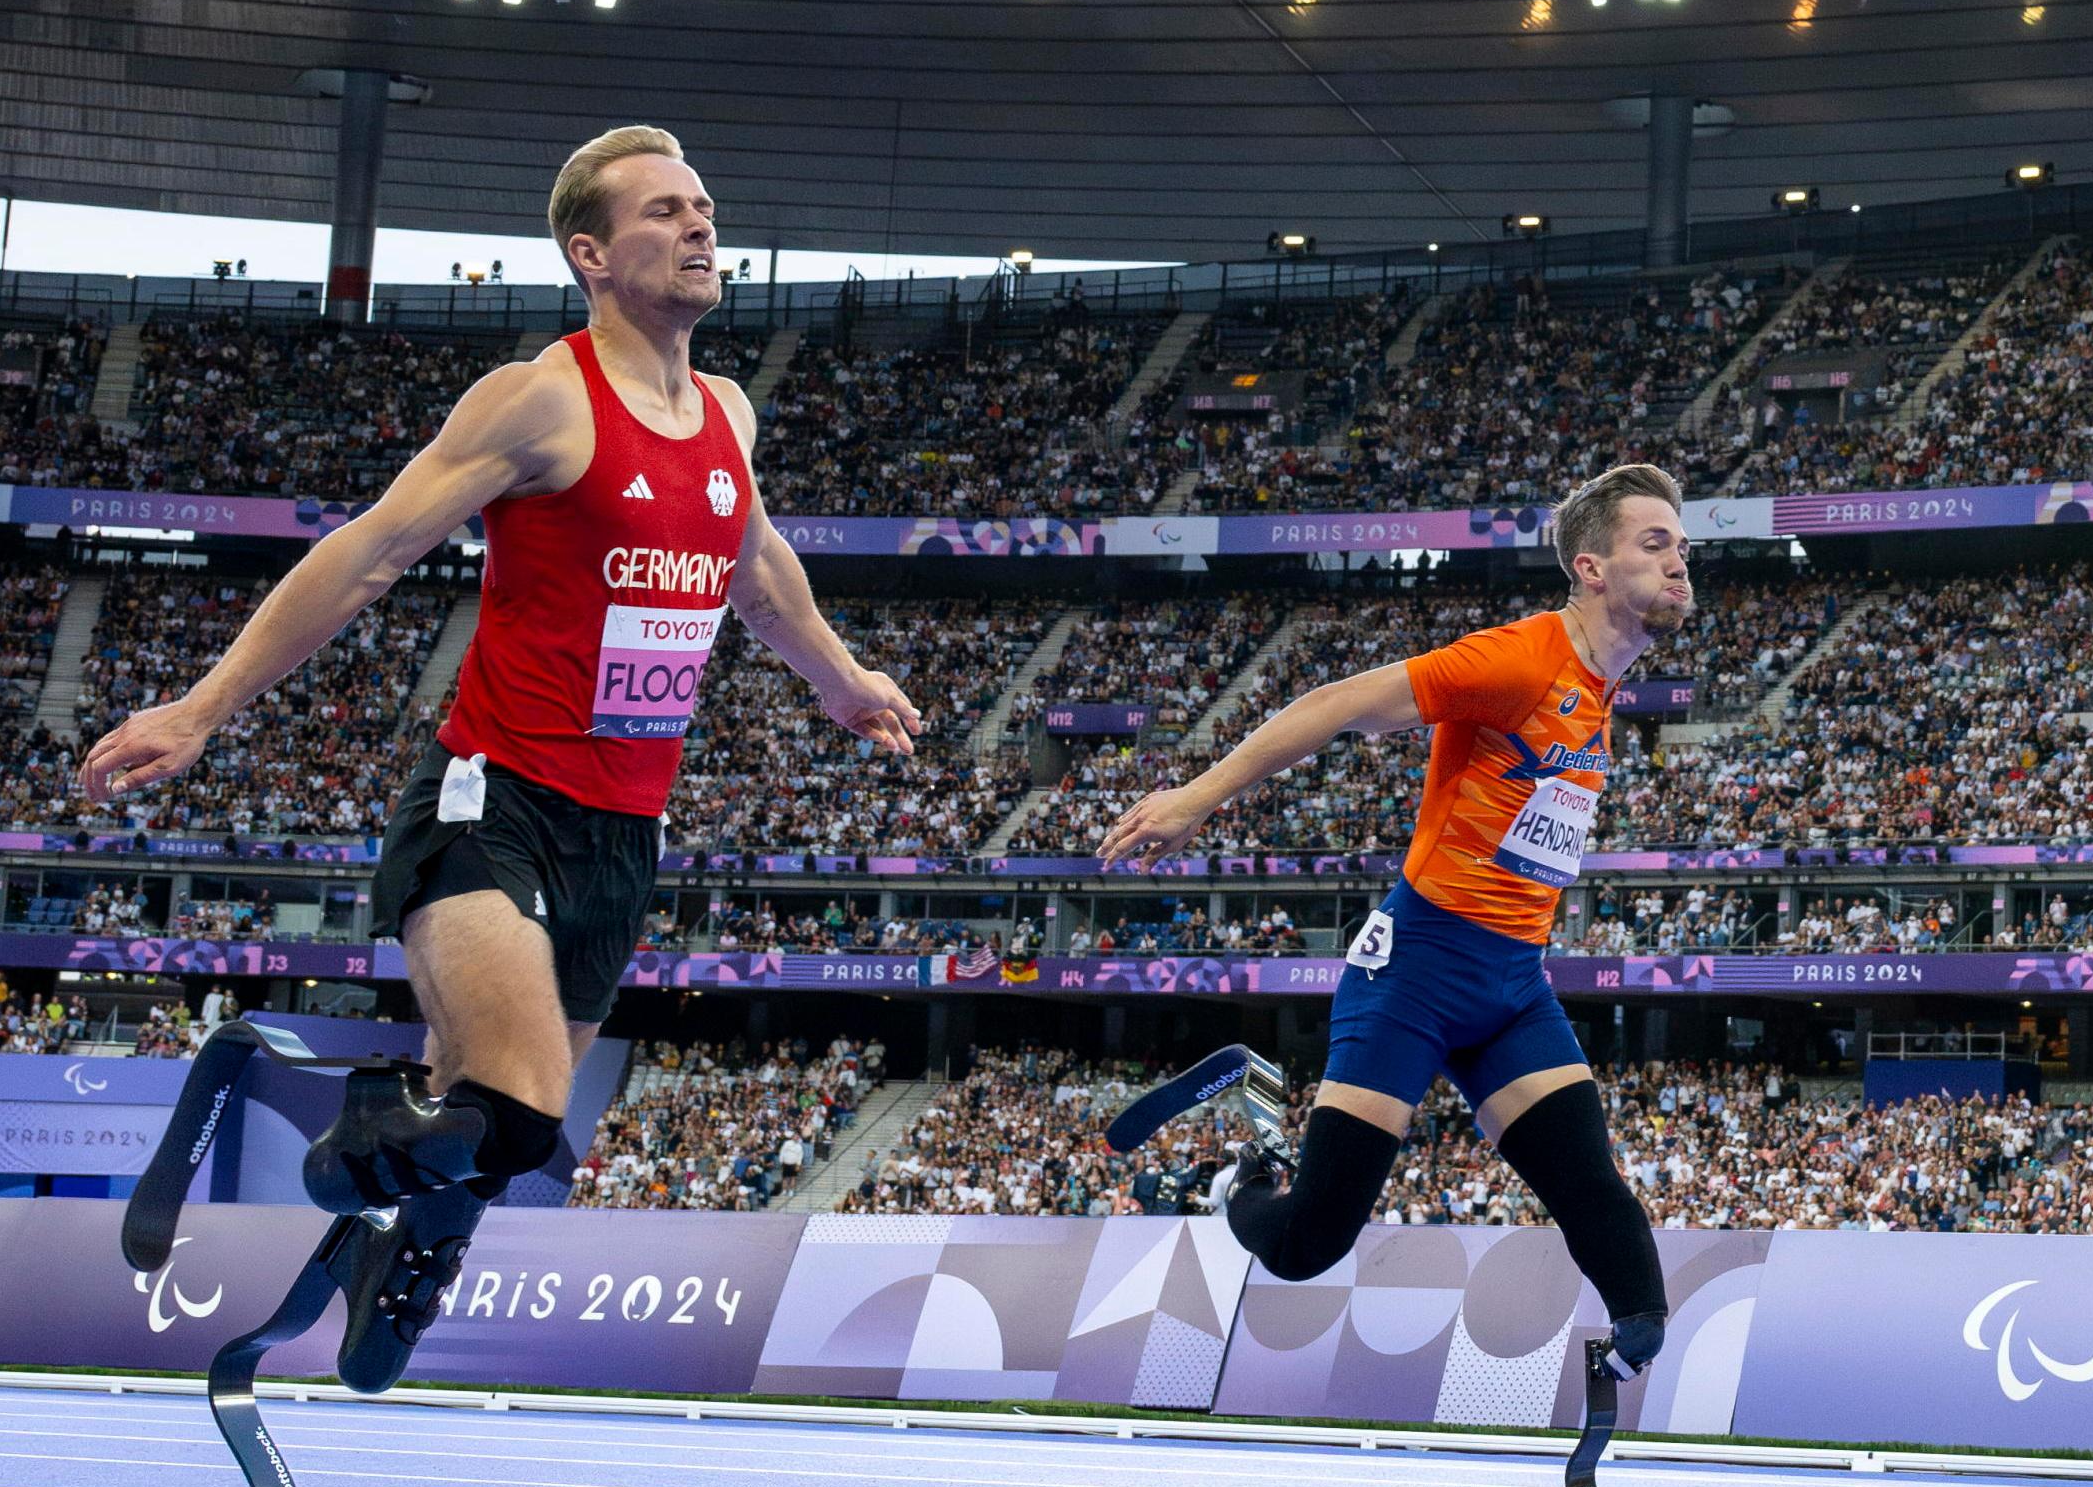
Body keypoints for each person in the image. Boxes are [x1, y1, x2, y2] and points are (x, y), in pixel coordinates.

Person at [81, 127, 923, 1388]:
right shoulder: (541, 398)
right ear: (590, 253)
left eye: (702, 205)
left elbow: (755, 567)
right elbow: (367, 551)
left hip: (620, 837)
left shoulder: (728, 414)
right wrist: (201, 711)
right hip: (493, 802)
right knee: (524, 1108)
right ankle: (320, 1118)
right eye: (662, 212)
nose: (699, 225)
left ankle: (393, 1252)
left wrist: (841, 677)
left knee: (497, 1123)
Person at [1102, 463, 1691, 1382]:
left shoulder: (1601, 690)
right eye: (1656, 544)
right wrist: (1196, 797)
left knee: (1607, 1223)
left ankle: (1627, 1355)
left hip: (1511, 987)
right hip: (1413, 971)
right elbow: (1336, 705)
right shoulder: (1518, 659)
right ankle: (1237, 1171)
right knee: (1304, 1244)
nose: (1681, 562)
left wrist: (1633, 1339)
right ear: (1592, 568)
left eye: (1683, 547)